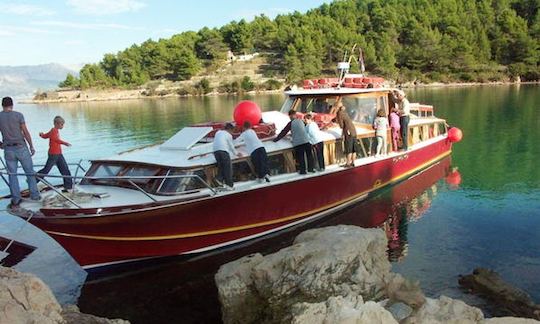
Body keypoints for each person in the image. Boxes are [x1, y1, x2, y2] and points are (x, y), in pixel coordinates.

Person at [0, 96, 40, 209]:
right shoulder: (18, 115)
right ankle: (35, 196)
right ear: (12, 105)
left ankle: (16, 199)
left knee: (12, 175)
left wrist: (0, 145)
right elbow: (25, 132)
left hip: (8, 149)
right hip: (21, 147)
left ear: (2, 105)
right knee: (30, 172)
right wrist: (31, 146)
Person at [37, 116, 73, 192]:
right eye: (61, 124)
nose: (62, 126)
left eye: (63, 124)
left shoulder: (53, 131)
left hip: (58, 154)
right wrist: (65, 143)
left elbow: (45, 136)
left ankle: (68, 187)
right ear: (56, 124)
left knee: (65, 169)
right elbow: (56, 140)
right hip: (54, 154)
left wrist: (41, 135)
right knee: (47, 169)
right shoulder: (54, 131)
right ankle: (33, 179)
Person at [274, 109, 315, 174]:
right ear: (295, 115)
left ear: (291, 116)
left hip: (298, 143)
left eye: (290, 116)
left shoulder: (290, 123)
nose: (290, 118)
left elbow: (284, 132)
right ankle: (311, 169)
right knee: (309, 155)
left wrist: (276, 140)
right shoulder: (301, 121)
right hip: (306, 141)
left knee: (301, 157)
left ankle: (302, 171)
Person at [212, 123, 239, 190]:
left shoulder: (218, 132)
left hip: (216, 151)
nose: (232, 132)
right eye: (232, 131)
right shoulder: (228, 135)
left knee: (221, 166)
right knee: (228, 168)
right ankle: (230, 185)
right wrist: (236, 153)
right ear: (230, 129)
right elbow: (231, 146)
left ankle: (219, 180)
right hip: (223, 151)